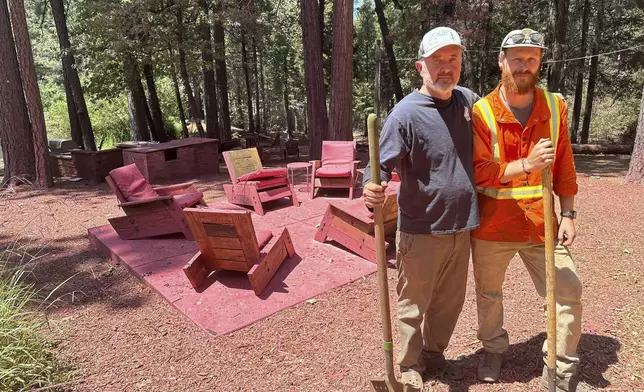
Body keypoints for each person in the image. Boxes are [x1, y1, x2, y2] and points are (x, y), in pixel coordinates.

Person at [471, 28, 590, 392]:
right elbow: (478, 173)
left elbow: (564, 164)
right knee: (489, 295)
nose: (524, 66)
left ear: (540, 62)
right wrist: (526, 164)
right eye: (517, 58)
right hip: (493, 227)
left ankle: (560, 367)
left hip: (543, 226)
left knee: (568, 290)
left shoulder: (555, 106)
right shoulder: (481, 111)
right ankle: (493, 349)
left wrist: (568, 213)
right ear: (501, 61)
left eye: (532, 59)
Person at [363, 26, 480, 392]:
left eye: (452, 59)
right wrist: (372, 186)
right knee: (413, 305)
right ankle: (409, 364)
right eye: (437, 61)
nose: (446, 67)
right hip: (421, 230)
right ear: (420, 66)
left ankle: (435, 355)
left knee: (449, 304)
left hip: (463, 227)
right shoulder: (405, 114)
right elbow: (376, 166)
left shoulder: (468, 102)